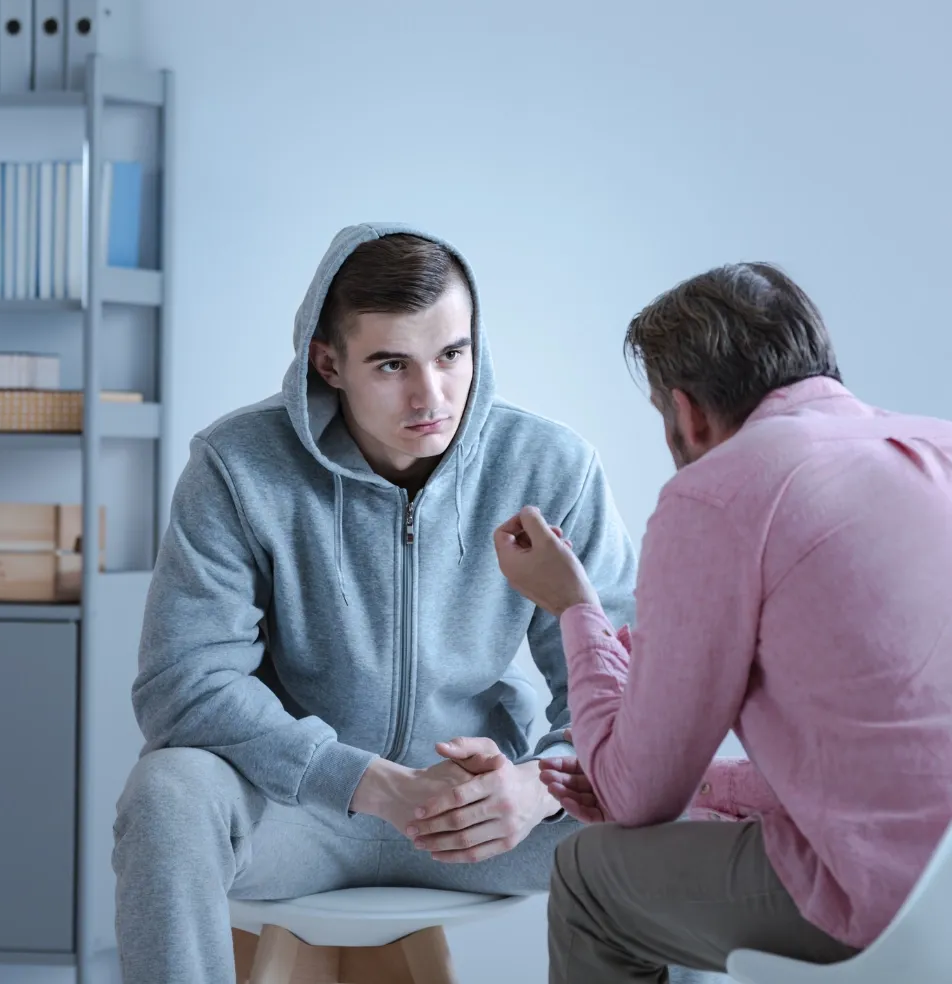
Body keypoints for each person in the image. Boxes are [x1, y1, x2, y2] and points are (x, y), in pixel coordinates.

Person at [111, 224, 640, 984]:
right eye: (393, 364)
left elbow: (629, 691)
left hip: (486, 816)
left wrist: (538, 787)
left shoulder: (550, 466)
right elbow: (182, 688)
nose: (434, 396)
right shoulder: (237, 466)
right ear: (329, 362)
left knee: (672, 814)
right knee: (166, 796)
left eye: (453, 355)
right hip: (300, 812)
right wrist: (370, 783)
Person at [490, 262, 952, 984]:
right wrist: (712, 787)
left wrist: (574, 606)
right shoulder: (938, 445)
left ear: (687, 412)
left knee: (586, 876)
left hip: (893, 908)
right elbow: (902, 770)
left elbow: (638, 796)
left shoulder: (719, 493)